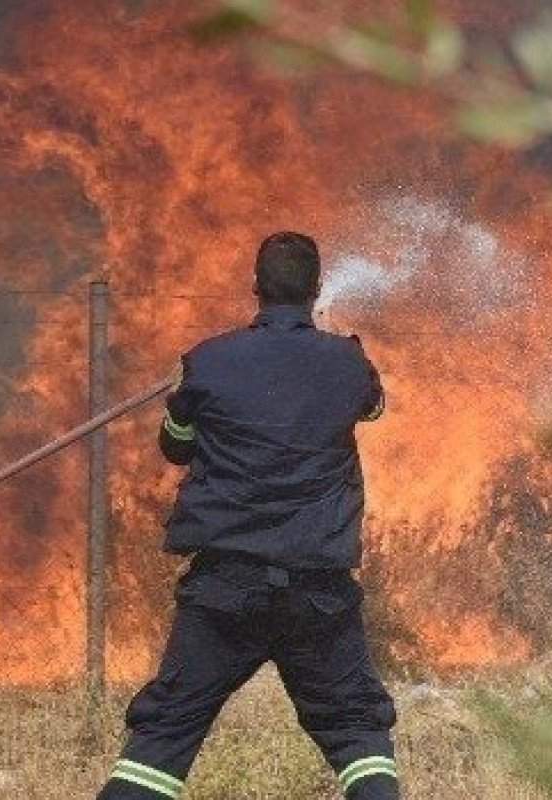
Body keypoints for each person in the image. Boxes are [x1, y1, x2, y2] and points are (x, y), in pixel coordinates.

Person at [98, 232, 397, 800]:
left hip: (224, 590)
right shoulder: (348, 362)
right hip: (317, 591)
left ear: (255, 288)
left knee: (165, 733)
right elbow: (372, 407)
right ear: (316, 289)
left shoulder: (207, 362)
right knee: (356, 727)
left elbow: (176, 445)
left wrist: (189, 396)